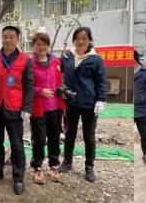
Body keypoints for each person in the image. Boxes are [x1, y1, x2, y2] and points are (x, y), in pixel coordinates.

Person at [0, 26, 34, 195]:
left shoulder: (25, 60)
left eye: (11, 37)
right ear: (1, 39)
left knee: (17, 145)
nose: (8, 40)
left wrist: (27, 108)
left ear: (18, 39)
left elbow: (29, 85)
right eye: (5, 37)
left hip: (15, 108)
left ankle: (18, 177)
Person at [60, 27, 107, 182]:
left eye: (84, 38)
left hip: (89, 103)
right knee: (69, 134)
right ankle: (67, 162)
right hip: (71, 102)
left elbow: (101, 81)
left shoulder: (95, 59)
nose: (81, 41)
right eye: (78, 38)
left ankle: (89, 167)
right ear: (74, 40)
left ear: (89, 40)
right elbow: (56, 71)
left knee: (89, 136)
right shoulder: (67, 56)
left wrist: (101, 99)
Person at [30, 32, 66, 185]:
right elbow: (26, 86)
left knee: (54, 137)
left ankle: (53, 165)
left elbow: (60, 81)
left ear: (48, 45)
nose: (41, 47)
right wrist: (40, 91)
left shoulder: (55, 62)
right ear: (34, 46)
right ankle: (37, 167)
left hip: (54, 107)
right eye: (38, 44)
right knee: (38, 139)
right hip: (38, 107)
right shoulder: (29, 64)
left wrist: (61, 91)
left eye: (44, 44)